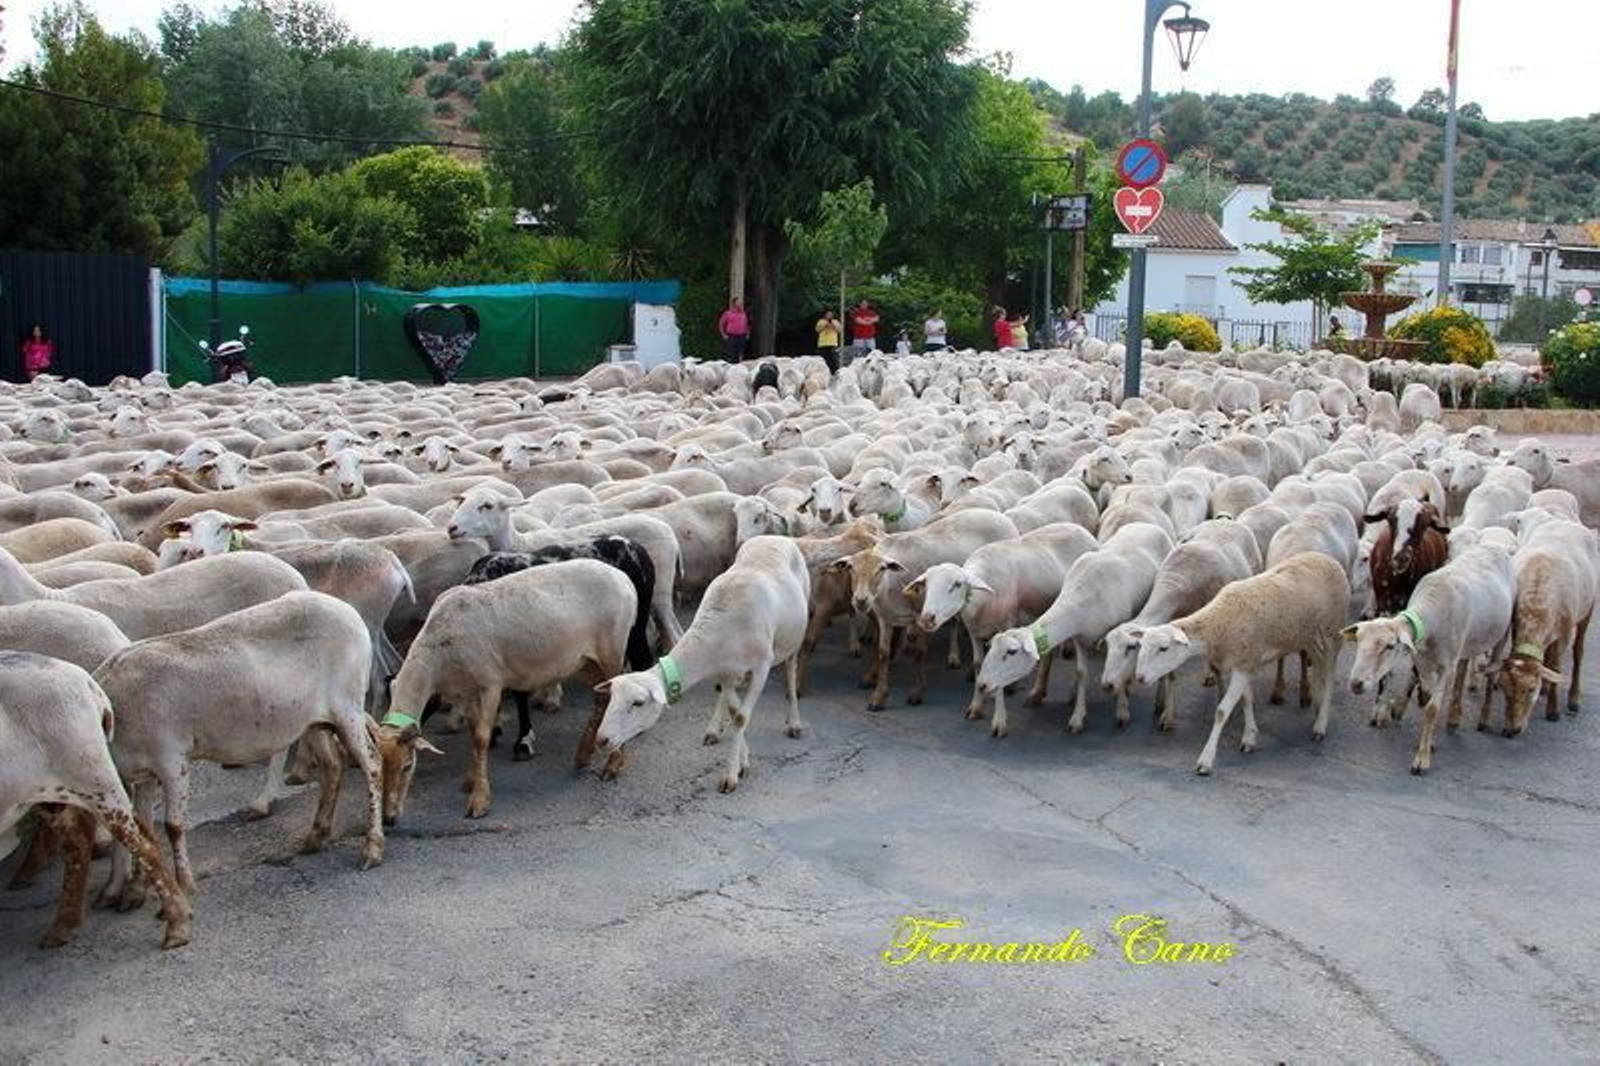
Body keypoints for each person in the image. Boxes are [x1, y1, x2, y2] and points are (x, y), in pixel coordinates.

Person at [718, 297, 751, 361]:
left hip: (742, 336)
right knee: (731, 354)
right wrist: (723, 335)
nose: (740, 304)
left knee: (741, 353)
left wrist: (748, 333)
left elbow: (748, 324)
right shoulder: (728, 313)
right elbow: (721, 324)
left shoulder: (744, 314)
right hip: (731, 336)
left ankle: (739, 366)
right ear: (734, 304)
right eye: (738, 302)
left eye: (741, 303)